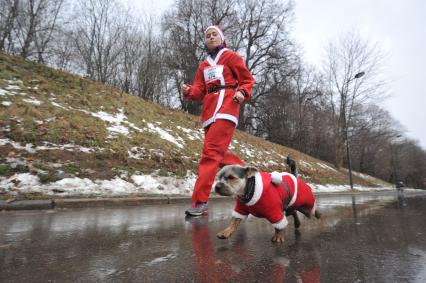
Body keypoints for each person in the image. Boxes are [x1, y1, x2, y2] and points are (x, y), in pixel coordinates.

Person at [181, 25, 255, 216]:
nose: (211, 37)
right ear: (205, 41)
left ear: (222, 39)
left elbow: (247, 80)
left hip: (227, 108)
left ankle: (200, 201)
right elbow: (199, 90)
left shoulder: (231, 57)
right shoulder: (203, 65)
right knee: (219, 156)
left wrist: (242, 92)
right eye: (207, 36)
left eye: (214, 34)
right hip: (209, 113)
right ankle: (251, 177)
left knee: (209, 155)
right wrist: (189, 91)